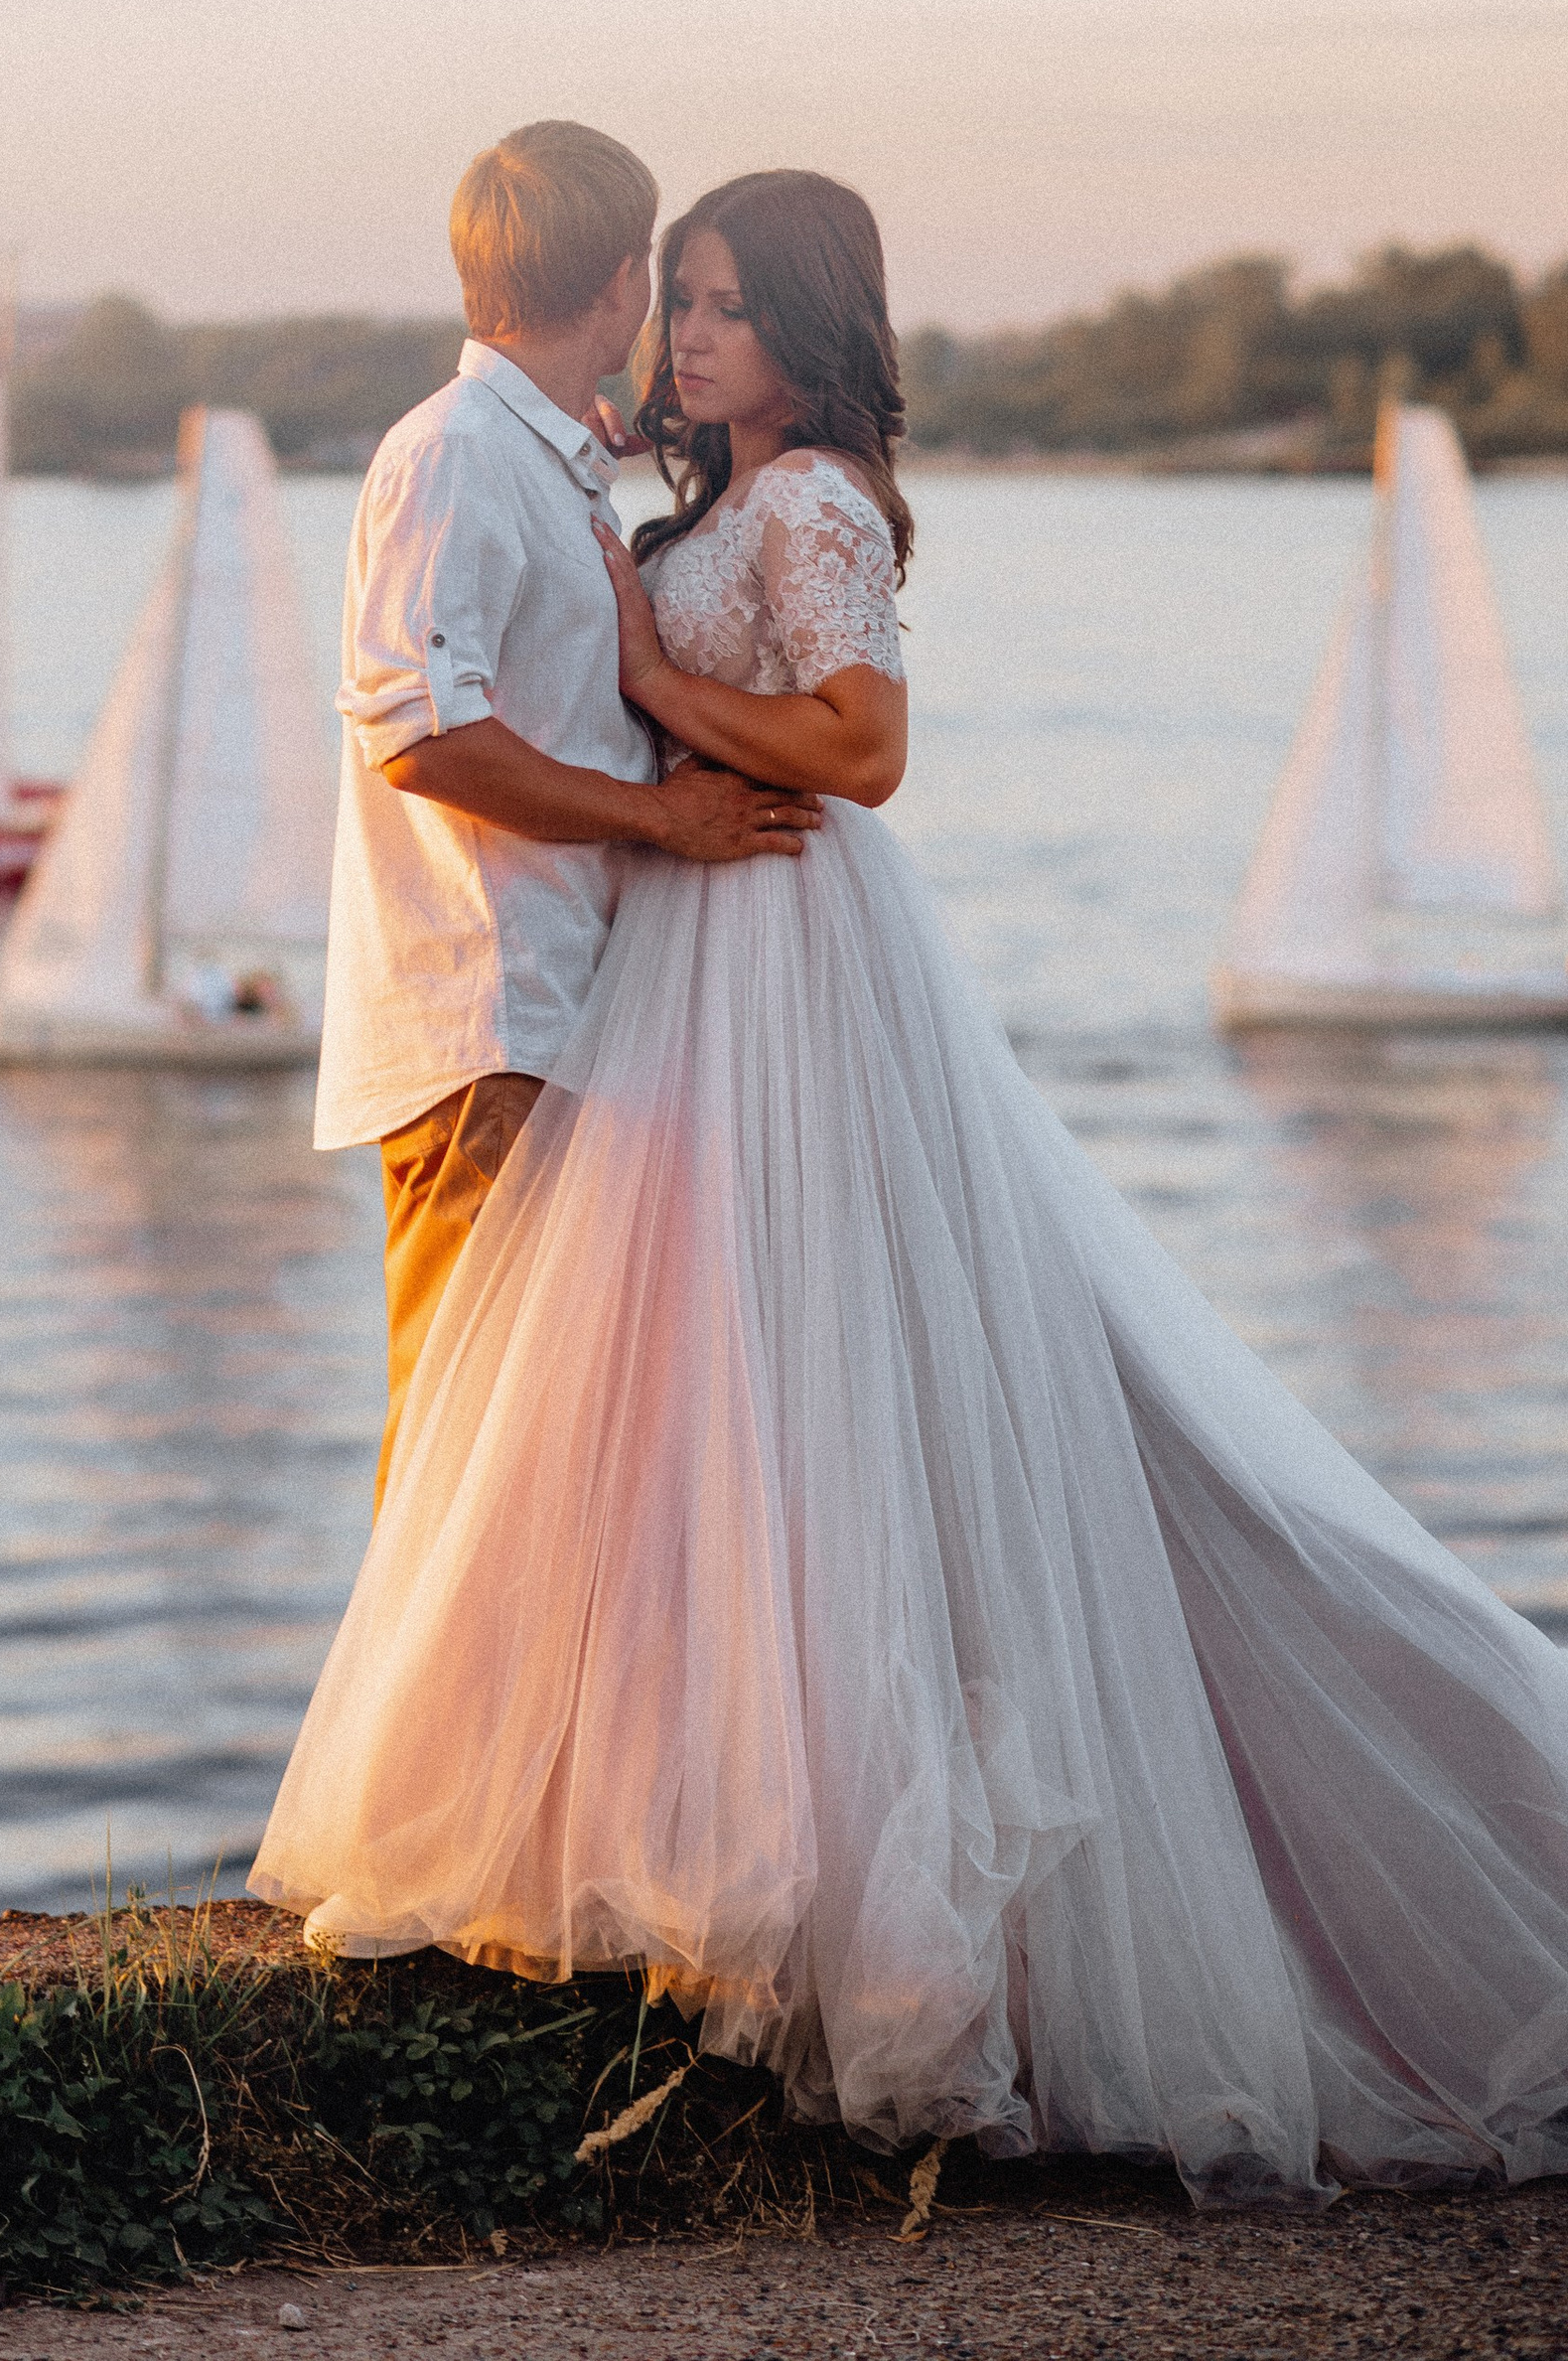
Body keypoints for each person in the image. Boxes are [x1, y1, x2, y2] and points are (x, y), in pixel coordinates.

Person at [255, 168, 1568, 2206]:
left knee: (817, 1397)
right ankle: (650, 1836)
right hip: (685, 965)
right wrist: (645, 675)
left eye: (718, 311)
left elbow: (857, 748)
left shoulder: (806, 504)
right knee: (685, 1411)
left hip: (777, 943)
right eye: (668, 305)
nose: (683, 343)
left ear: (802, 324)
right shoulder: (665, 497)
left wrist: (657, 695)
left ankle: (792, 1873)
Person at [315, 121, 820, 1510]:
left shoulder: (542, 455)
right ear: (617, 286)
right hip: (484, 1024)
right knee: (466, 1464)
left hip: (558, 1012)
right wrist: (658, 820)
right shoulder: (456, 454)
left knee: (546, 1463)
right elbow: (416, 729)